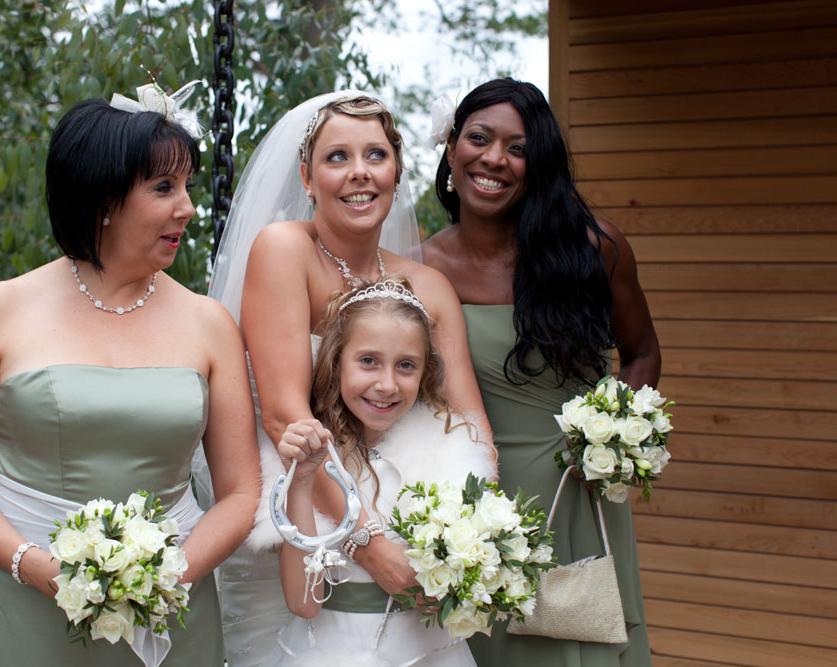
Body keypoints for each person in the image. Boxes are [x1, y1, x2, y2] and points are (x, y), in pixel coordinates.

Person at [0, 91, 260, 666]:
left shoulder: (209, 323)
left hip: (170, 610)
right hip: (19, 604)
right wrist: (36, 567)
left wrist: (168, 577)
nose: (186, 208)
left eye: (187, 189)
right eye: (163, 189)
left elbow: (241, 492)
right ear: (103, 198)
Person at [208, 92, 491, 666]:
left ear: (397, 170)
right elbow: (286, 415)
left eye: (375, 155)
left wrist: (469, 538)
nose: (359, 172)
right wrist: (369, 544)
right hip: (306, 514)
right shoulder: (286, 249)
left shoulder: (428, 285)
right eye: (338, 157)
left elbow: (469, 423)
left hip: (406, 518)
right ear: (308, 178)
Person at [422, 77, 659, 666]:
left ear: (539, 163)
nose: (494, 159)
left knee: (585, 637)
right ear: (452, 148)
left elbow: (643, 352)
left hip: (577, 490)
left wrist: (610, 435)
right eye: (479, 138)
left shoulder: (594, 247)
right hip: (479, 506)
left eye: (518, 147)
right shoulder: (422, 267)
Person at [269, 277, 496, 665]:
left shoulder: (451, 457)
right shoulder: (314, 459)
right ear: (336, 361)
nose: (387, 384)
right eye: (368, 361)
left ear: (426, 372)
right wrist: (303, 481)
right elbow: (303, 603)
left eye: (406, 365)